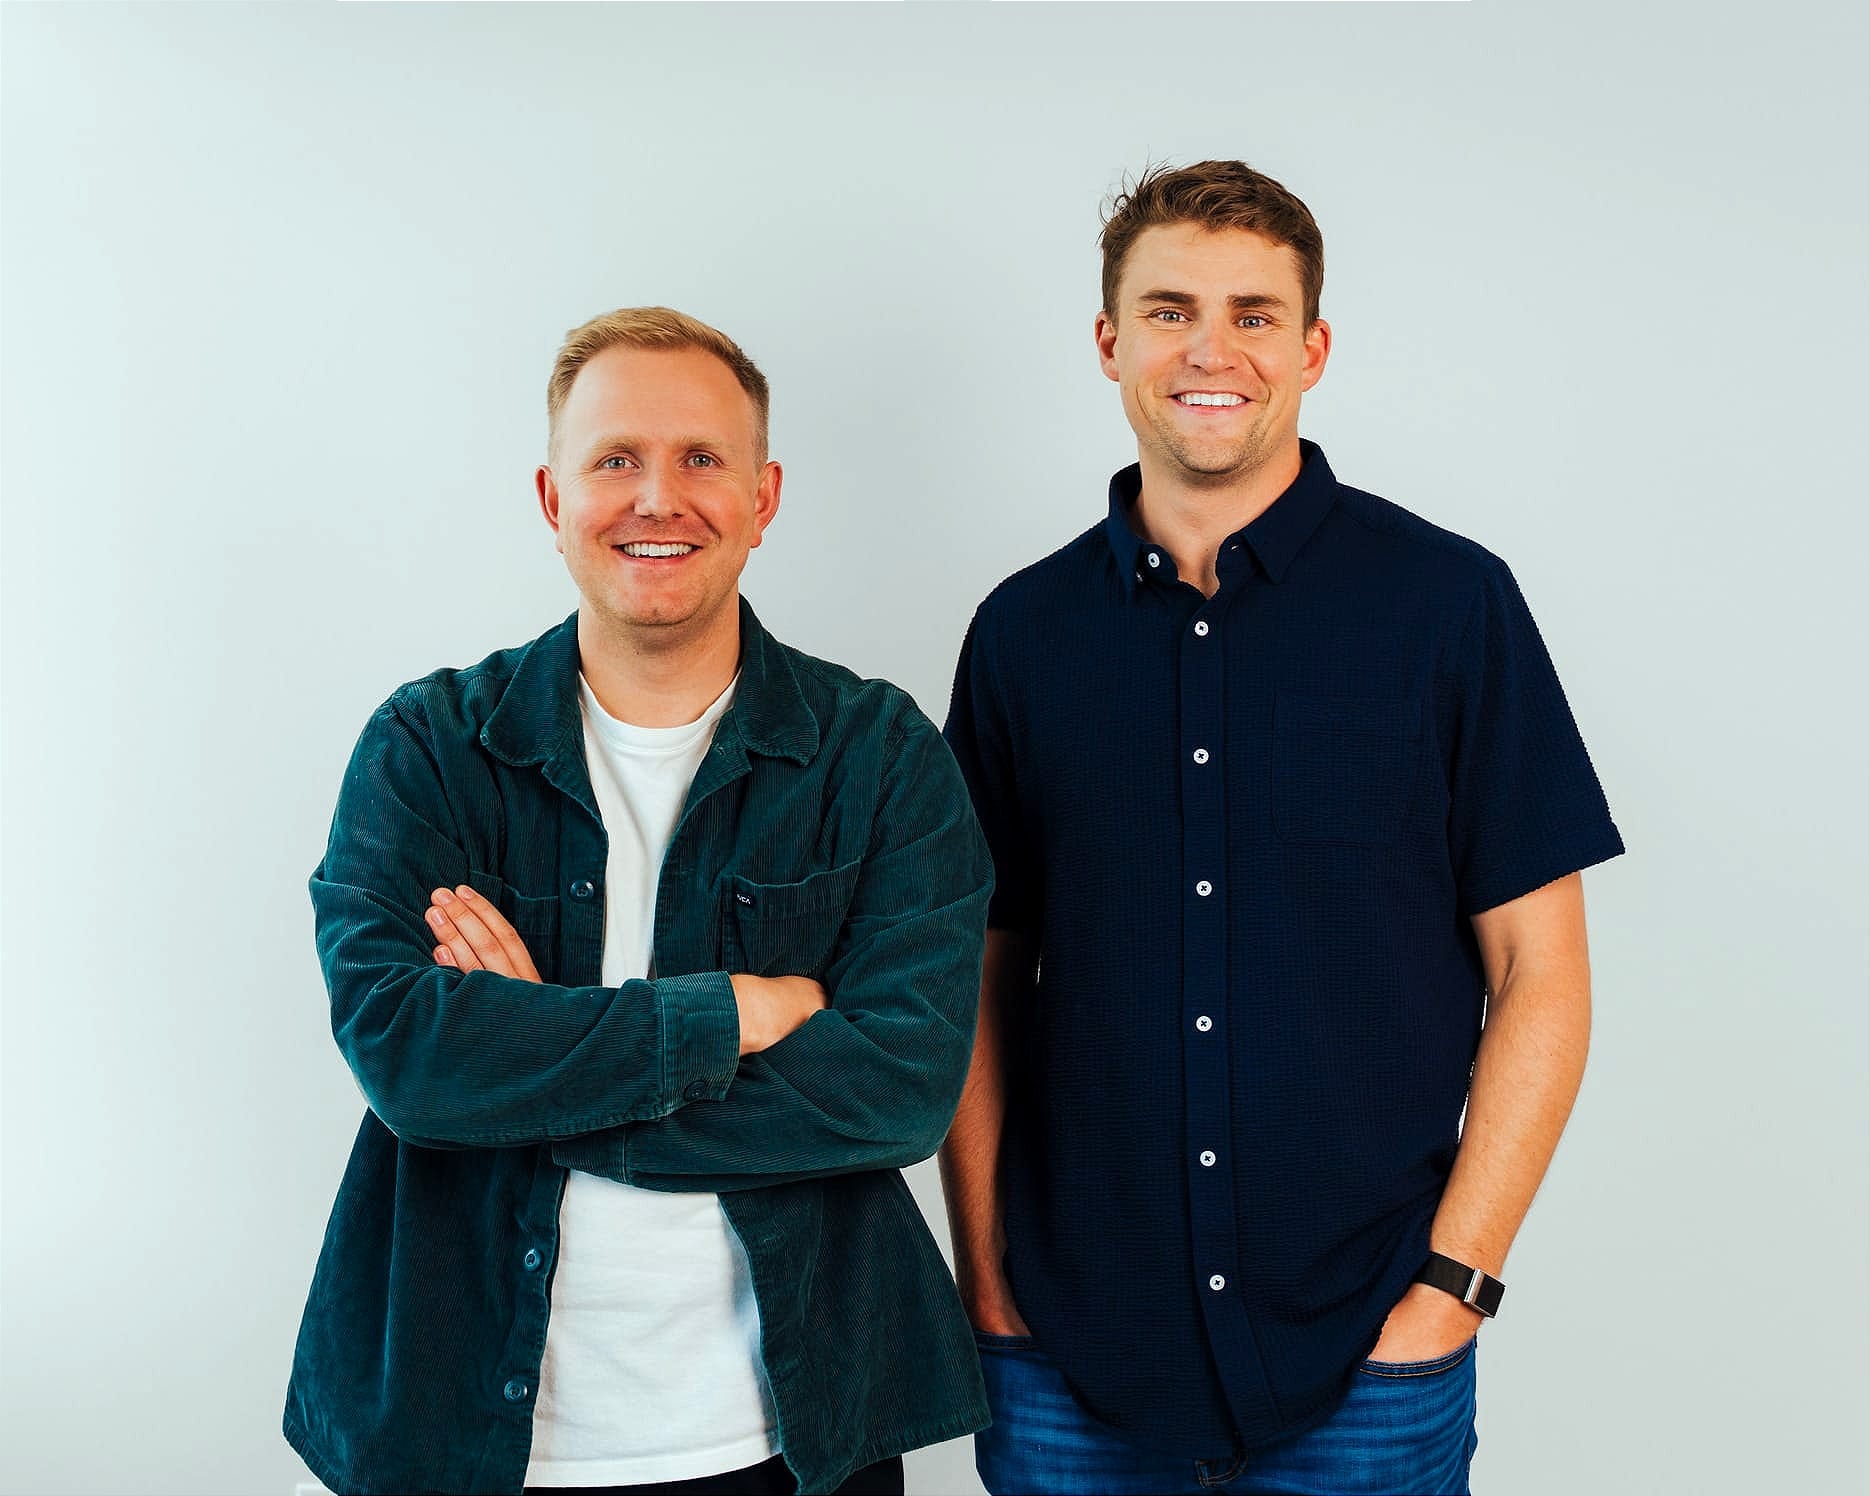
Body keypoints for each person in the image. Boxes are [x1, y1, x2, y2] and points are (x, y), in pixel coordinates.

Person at [940, 161, 1626, 1495]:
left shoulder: (1448, 607)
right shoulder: (1023, 633)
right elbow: (973, 971)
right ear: (1108, 342)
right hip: (1069, 1352)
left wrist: (1453, 1286)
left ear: (1310, 348)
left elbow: (1541, 972)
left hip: (1370, 1348)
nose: (1212, 350)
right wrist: (988, 1278)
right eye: (1170, 311)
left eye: (1253, 314)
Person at [284, 307, 993, 1496]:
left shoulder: (877, 755)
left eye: (700, 458)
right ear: (552, 497)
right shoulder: (429, 747)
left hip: (792, 1440)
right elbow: (408, 1057)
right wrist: (730, 1014)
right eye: (615, 458)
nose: (657, 498)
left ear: (763, 498)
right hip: (463, 1434)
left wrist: (526, 1058)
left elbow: (902, 1090)